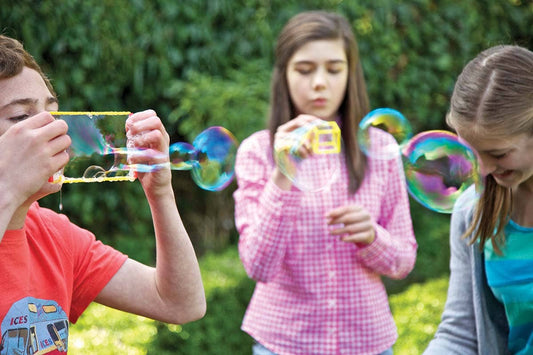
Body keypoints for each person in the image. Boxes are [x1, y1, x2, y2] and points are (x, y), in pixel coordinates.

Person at [0, 34, 206, 353]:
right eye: (21, 117)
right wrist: (7, 187)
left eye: (54, 113)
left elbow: (181, 304)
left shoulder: (55, 236)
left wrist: (161, 193)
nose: (53, 131)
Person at [233, 11, 417, 355]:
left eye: (334, 69)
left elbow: (404, 260)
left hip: (367, 342)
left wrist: (373, 237)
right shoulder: (258, 152)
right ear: (283, 75)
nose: (320, 82)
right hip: (283, 344)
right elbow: (258, 265)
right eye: (304, 70)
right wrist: (283, 173)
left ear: (351, 74)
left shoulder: (380, 149)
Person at [423, 45, 533, 355]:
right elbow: (460, 334)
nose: (481, 169)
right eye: (470, 152)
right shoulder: (472, 210)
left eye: (498, 154)